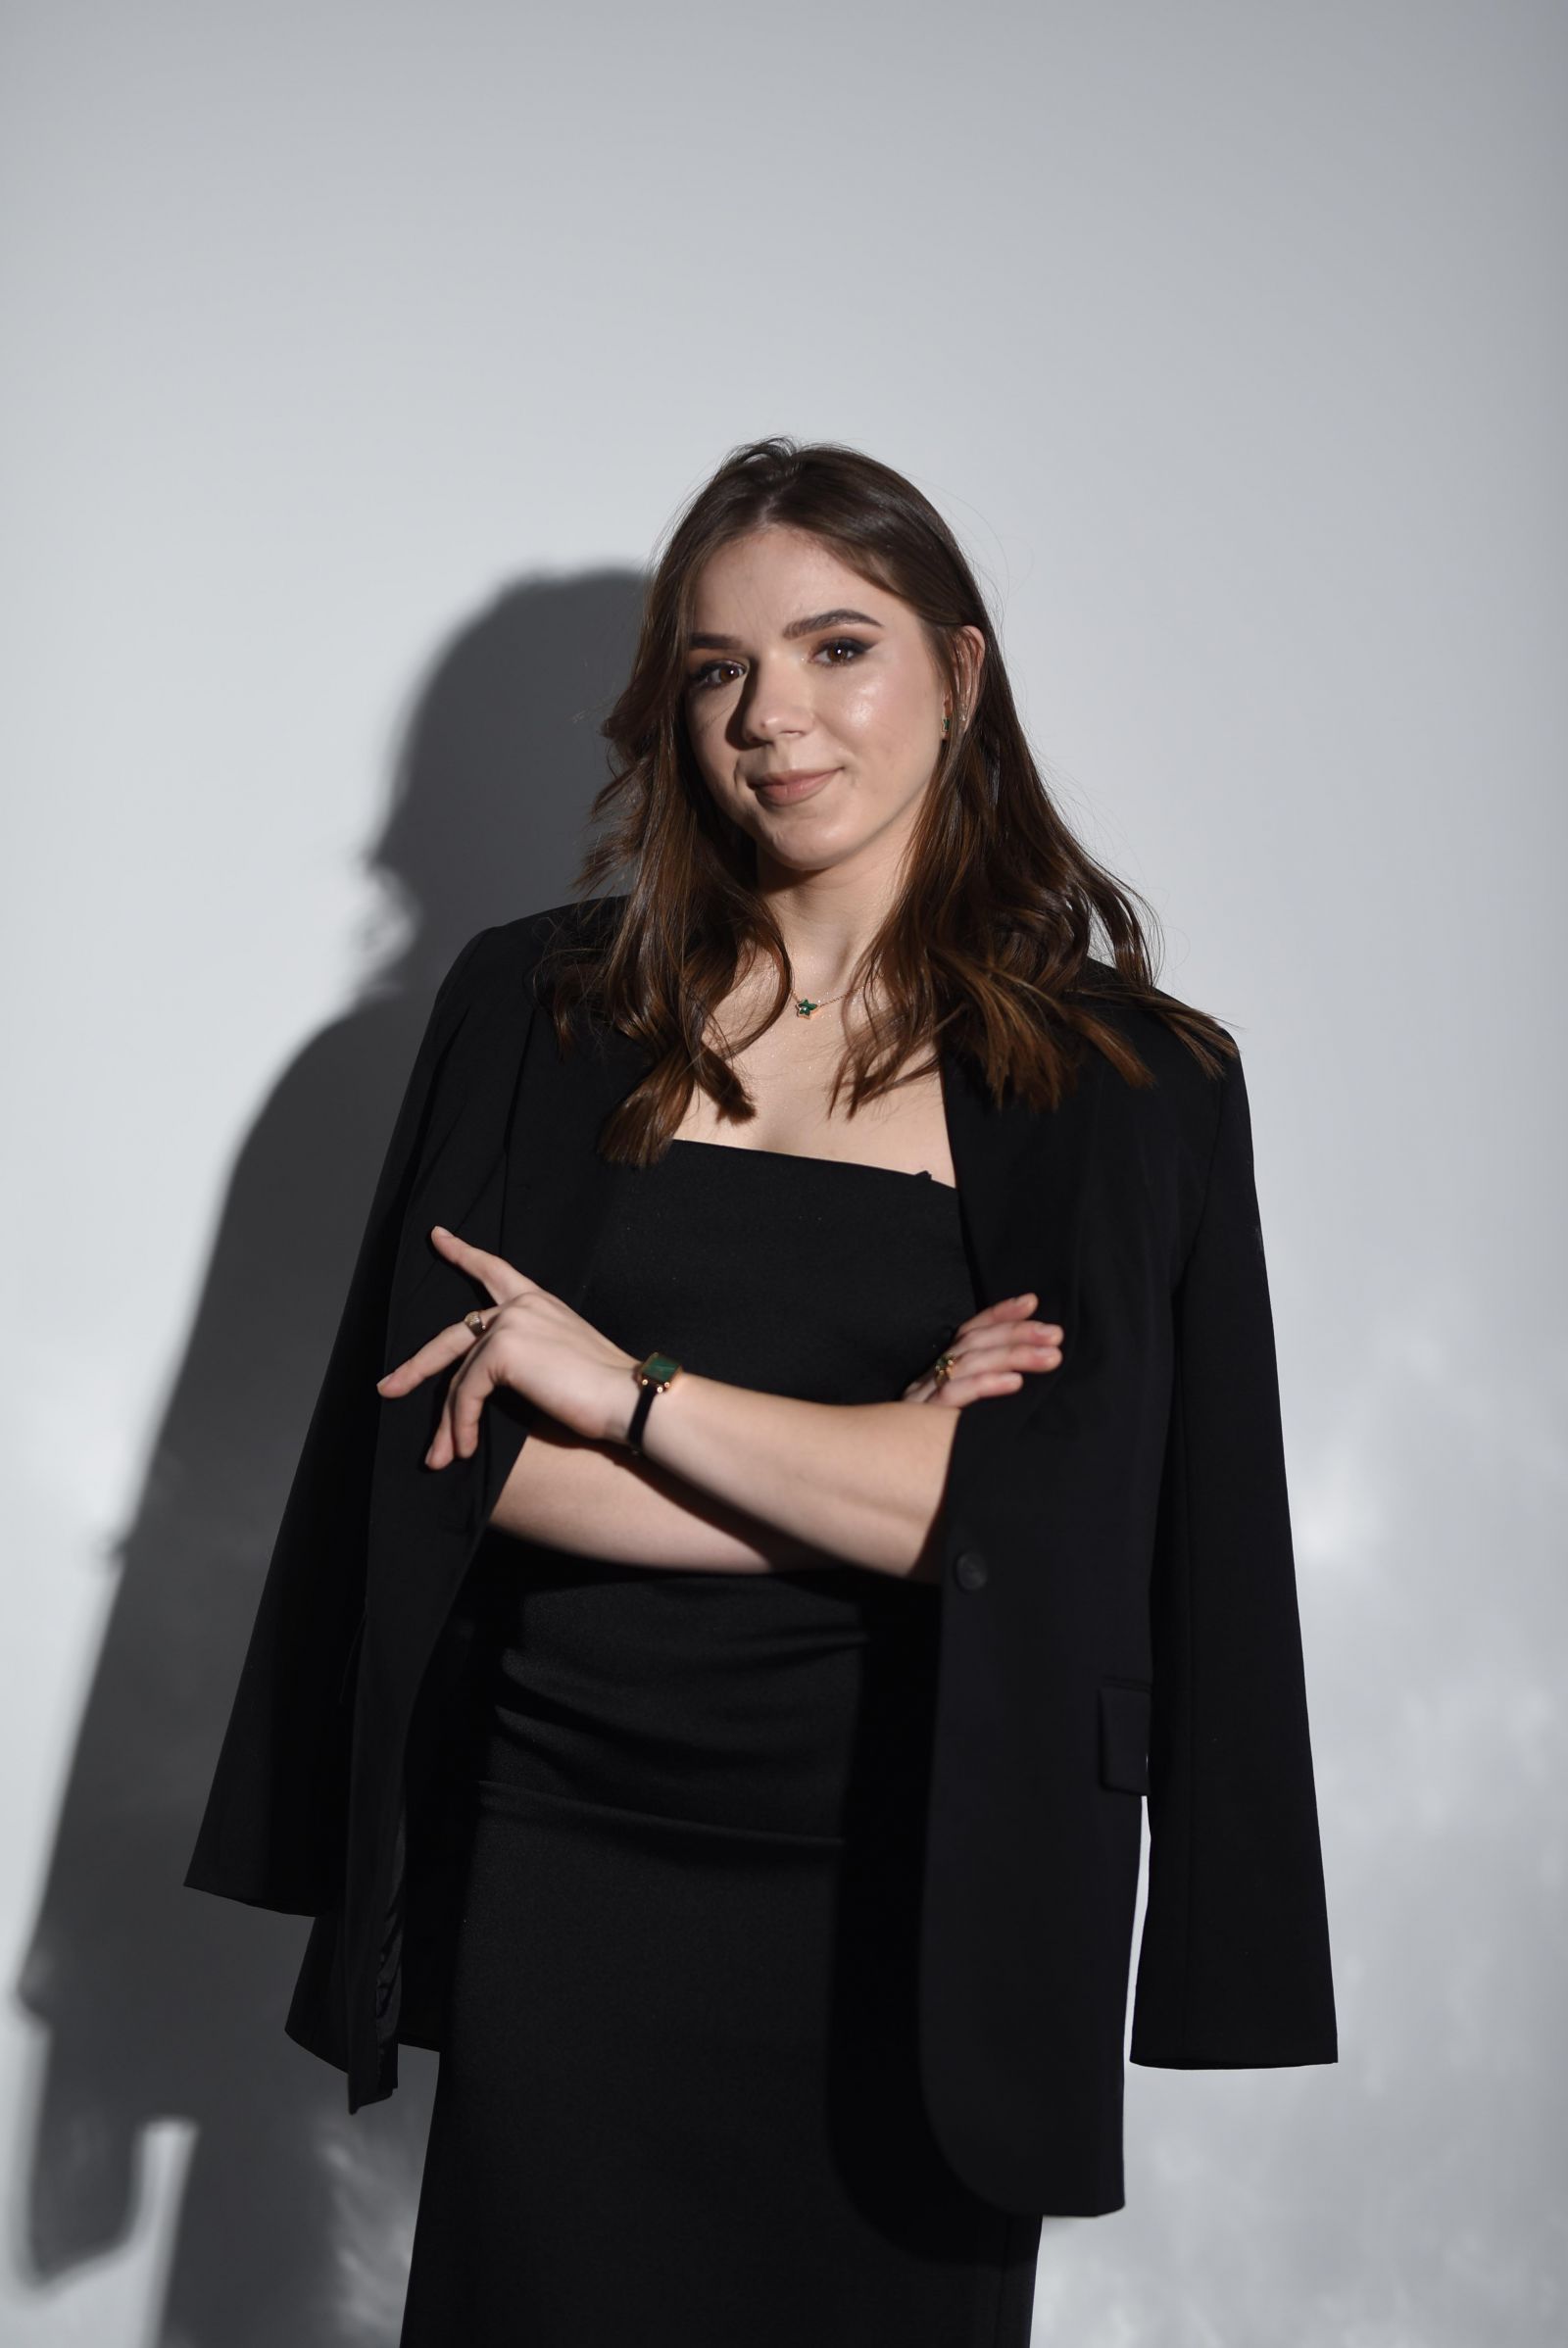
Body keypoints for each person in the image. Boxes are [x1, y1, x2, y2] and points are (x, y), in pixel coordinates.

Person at [187, 434, 1337, 2344]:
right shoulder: (531, 1011)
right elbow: (446, 1463)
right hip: (565, 1866)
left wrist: (620, 1390)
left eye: (835, 648)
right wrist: (887, 1464)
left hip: (929, 1889)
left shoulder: (1128, 1086)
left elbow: (1046, 1525)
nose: (771, 717)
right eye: (717, 667)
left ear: (957, 673)